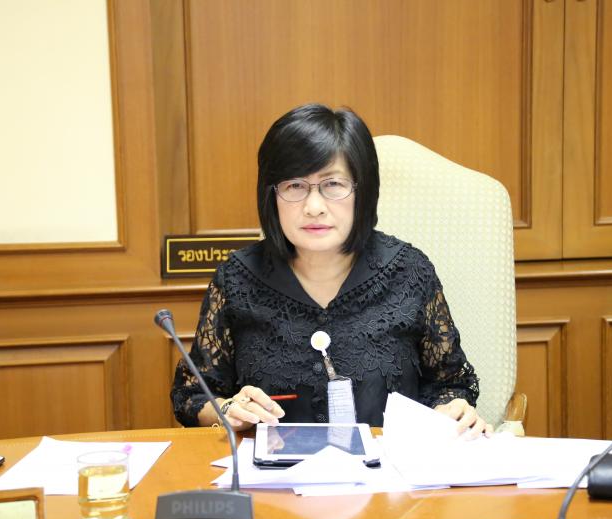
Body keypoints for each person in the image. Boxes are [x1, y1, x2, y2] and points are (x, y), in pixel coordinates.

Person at [171, 103, 492, 438]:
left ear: (362, 191)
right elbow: (193, 396)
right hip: (274, 468)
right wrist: (228, 410)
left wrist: (451, 410)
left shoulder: (409, 272)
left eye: (333, 184)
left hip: (388, 469)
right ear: (272, 196)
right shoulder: (237, 279)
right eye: (295, 186)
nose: (314, 207)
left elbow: (451, 384)